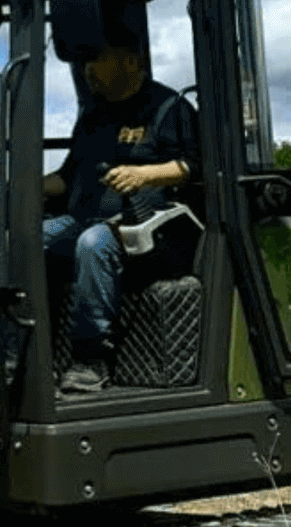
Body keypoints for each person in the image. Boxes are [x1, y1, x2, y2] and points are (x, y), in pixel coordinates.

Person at [44, 42, 198, 394]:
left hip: (149, 227)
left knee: (93, 243)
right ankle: (23, 350)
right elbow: (67, 177)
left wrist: (144, 176)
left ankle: (90, 359)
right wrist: (20, 188)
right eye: (84, 63)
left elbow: (192, 165)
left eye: (97, 58)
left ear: (130, 60)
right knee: (27, 237)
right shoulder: (93, 116)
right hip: (86, 218)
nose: (88, 71)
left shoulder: (168, 108)